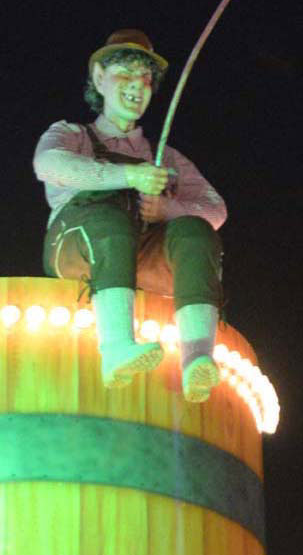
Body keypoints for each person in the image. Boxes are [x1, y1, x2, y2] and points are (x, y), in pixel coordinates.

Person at [33, 30, 227, 402]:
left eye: (146, 79)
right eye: (125, 75)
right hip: (79, 248)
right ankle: (117, 347)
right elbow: (48, 163)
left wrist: (169, 209)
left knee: (194, 231)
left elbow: (215, 208)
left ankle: (197, 359)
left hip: (142, 257)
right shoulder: (71, 134)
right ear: (100, 78)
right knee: (110, 220)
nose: (137, 87)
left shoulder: (165, 156)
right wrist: (129, 176)